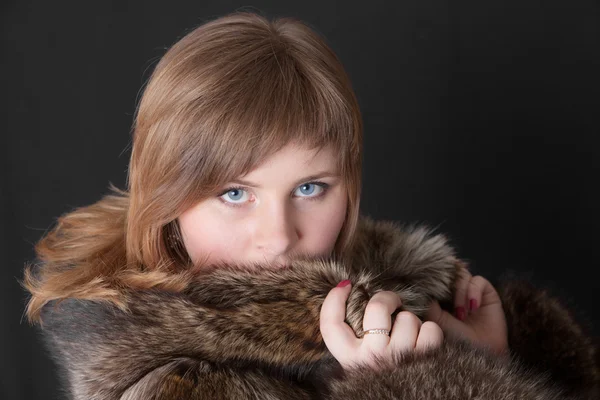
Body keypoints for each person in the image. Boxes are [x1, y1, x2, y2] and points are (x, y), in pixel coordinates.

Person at [23, 12, 598, 400]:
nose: (277, 237)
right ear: (166, 197)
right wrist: (407, 381)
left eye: (309, 189)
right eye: (233, 193)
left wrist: (490, 357)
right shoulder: (174, 383)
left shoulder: (411, 301)